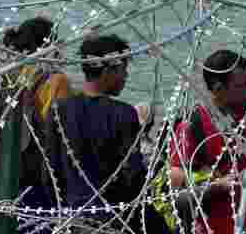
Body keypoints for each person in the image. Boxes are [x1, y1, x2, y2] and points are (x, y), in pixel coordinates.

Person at [46, 34, 169, 234]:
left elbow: (50, 171)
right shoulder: (123, 114)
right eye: (123, 70)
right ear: (106, 71)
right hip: (113, 218)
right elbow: (132, 175)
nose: (126, 76)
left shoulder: (58, 110)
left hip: (71, 218)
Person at [168, 50, 246, 234]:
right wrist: (218, 184)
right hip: (219, 224)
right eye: (242, 85)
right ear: (218, 89)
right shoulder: (195, 123)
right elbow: (174, 176)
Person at [2, 16, 70, 212]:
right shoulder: (56, 81)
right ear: (49, 44)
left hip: (6, 164)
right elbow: (59, 131)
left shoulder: (9, 73)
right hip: (38, 171)